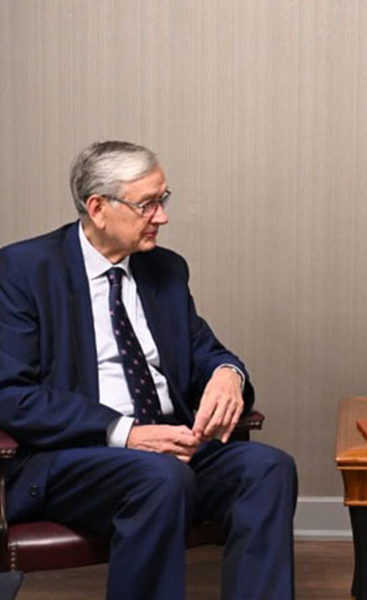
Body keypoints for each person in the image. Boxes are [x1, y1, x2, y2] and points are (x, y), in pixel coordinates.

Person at [0, 141, 298, 600]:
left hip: (171, 445)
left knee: (269, 468)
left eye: (163, 199)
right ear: (97, 208)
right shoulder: (24, 270)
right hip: (71, 458)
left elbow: (206, 352)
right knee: (160, 477)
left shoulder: (165, 270)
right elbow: (12, 396)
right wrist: (127, 433)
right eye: (147, 204)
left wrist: (227, 375)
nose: (162, 217)